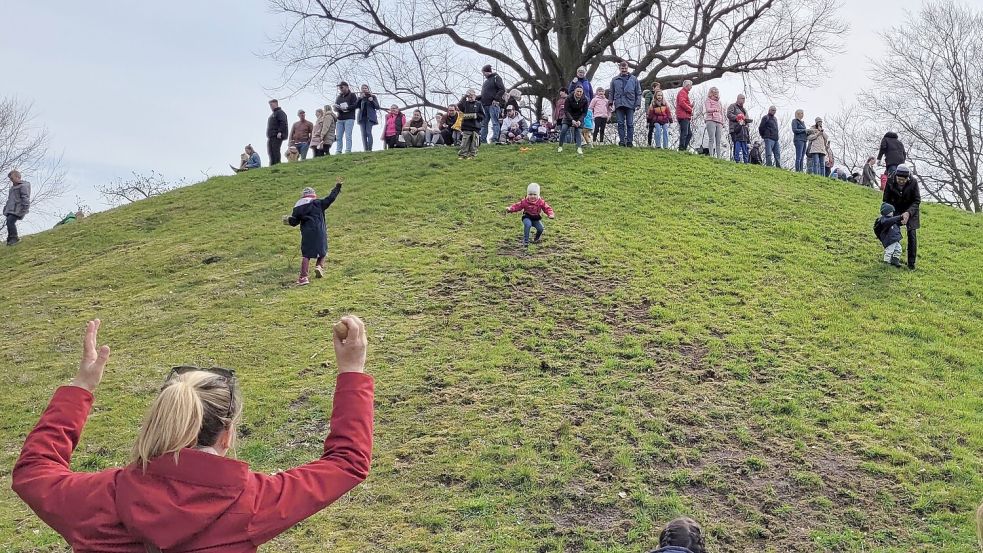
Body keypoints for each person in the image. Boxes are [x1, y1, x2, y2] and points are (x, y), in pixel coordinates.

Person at [12, 316, 373, 552]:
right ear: (226, 435)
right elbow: (347, 463)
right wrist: (352, 370)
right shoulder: (251, 501)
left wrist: (81, 387)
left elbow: (33, 471)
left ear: (160, 421)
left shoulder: (97, 498)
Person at [284, 179, 343, 285]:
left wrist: (288, 220)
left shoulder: (298, 206)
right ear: (313, 195)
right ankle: (319, 266)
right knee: (323, 250)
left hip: (307, 233)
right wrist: (337, 187)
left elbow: (294, 222)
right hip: (320, 230)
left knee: (306, 254)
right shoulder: (318, 203)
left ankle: (303, 277)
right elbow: (330, 198)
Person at [882, 165, 921, 270]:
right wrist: (890, 213)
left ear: (907, 178)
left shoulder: (914, 182)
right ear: (896, 176)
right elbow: (886, 199)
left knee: (912, 235)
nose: (901, 182)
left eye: (903, 180)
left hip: (911, 210)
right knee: (894, 233)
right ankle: (893, 257)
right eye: (899, 179)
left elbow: (917, 200)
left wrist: (908, 213)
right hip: (896, 208)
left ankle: (911, 264)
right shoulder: (890, 180)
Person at [506, 182, 555, 247]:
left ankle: (536, 239)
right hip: (527, 216)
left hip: (535, 218)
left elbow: (547, 208)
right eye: (530, 194)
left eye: (534, 194)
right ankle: (526, 241)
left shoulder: (540, 202)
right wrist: (510, 209)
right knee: (528, 225)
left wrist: (550, 214)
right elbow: (517, 206)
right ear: (527, 194)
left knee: (541, 229)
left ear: (538, 194)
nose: (532, 196)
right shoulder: (525, 201)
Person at [609, 60, 642, 147]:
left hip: (630, 104)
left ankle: (630, 141)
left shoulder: (634, 79)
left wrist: (638, 103)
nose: (624, 70)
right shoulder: (614, 80)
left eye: (625, 68)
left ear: (628, 68)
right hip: (619, 104)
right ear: (619, 68)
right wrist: (610, 103)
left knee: (630, 123)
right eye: (622, 68)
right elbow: (611, 92)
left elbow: (638, 92)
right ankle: (622, 141)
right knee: (620, 123)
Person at [479, 64, 507, 144]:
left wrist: (496, 99)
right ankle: (483, 140)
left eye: (484, 72)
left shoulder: (496, 78)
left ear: (487, 71)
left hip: (493, 105)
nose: (483, 74)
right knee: (484, 123)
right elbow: (484, 94)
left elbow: (502, 89)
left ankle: (495, 138)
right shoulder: (486, 82)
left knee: (495, 122)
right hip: (484, 105)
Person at [558, 85, 588, 155]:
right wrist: (572, 120)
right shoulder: (568, 98)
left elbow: (585, 112)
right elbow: (566, 110)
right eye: (578, 91)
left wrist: (580, 121)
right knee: (564, 129)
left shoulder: (585, 99)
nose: (579, 93)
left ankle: (579, 148)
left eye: (581, 92)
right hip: (568, 117)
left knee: (578, 132)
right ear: (575, 91)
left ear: (582, 92)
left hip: (579, 118)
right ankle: (560, 146)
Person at [4, 170, 31, 246]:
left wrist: (24, 209)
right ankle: (10, 239)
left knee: (10, 222)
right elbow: (10, 200)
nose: (11, 180)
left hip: (18, 209)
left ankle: (14, 238)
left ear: (17, 177)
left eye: (12, 178)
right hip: (11, 209)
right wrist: (5, 208)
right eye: (10, 179)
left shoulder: (23, 186)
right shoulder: (12, 188)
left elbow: (25, 198)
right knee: (9, 222)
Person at [874, 202, 905, 267]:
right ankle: (886, 262)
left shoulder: (891, 219)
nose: (892, 213)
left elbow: (896, 224)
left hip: (894, 239)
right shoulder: (884, 220)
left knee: (898, 249)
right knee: (889, 251)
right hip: (889, 240)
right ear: (886, 212)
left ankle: (895, 261)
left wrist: (902, 222)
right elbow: (889, 222)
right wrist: (899, 217)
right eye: (891, 211)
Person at [457, 89, 484, 159]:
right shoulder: (465, 103)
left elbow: (482, 115)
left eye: (472, 96)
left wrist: (476, 116)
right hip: (466, 126)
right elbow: (459, 105)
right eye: (469, 97)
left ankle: (472, 155)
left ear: (475, 96)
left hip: (475, 127)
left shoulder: (478, 104)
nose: (470, 98)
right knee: (464, 142)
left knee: (474, 143)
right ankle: (463, 155)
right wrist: (464, 97)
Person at [333, 81, 358, 154]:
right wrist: (336, 108)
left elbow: (355, 105)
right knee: (338, 136)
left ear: (346, 87)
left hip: (349, 118)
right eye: (339, 87)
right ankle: (338, 151)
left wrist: (347, 108)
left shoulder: (352, 95)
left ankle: (348, 150)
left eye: (341, 87)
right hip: (340, 118)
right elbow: (336, 106)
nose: (340, 89)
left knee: (348, 135)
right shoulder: (339, 97)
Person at [727, 95, 752, 163]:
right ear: (737, 99)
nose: (743, 100)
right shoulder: (732, 106)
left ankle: (746, 161)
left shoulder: (744, 109)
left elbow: (745, 118)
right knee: (736, 145)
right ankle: (736, 160)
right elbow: (729, 114)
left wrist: (747, 121)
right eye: (742, 98)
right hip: (735, 129)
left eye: (744, 99)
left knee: (744, 147)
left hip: (744, 131)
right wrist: (738, 118)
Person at [356, 84, 380, 152]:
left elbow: (377, 107)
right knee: (363, 134)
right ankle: (366, 149)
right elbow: (356, 106)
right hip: (362, 118)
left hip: (370, 117)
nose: (364, 89)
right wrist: (360, 98)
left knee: (368, 132)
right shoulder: (360, 98)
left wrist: (372, 100)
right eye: (363, 88)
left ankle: (370, 149)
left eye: (365, 88)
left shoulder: (373, 96)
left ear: (368, 89)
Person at [266, 99, 288, 166]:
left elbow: (283, 122)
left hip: (277, 135)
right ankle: (272, 165)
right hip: (271, 136)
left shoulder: (280, 112)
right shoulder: (272, 115)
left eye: (272, 105)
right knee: (270, 151)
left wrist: (280, 132)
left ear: (276, 104)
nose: (271, 107)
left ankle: (277, 164)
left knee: (276, 150)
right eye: (270, 105)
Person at [704, 87, 724, 158]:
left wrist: (722, 122)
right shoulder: (708, 100)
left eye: (717, 93)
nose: (716, 94)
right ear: (711, 93)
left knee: (718, 141)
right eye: (714, 92)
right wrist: (714, 109)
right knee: (711, 139)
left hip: (719, 122)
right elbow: (708, 109)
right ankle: (711, 155)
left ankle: (719, 157)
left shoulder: (719, 102)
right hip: (711, 120)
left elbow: (722, 112)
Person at [675, 80, 694, 151]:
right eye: (691, 85)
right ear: (687, 85)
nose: (691, 87)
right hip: (683, 116)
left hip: (686, 116)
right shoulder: (682, 92)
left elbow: (684, 103)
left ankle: (684, 148)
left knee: (689, 134)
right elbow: (682, 103)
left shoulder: (684, 93)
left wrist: (690, 106)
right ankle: (681, 148)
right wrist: (690, 109)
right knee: (685, 133)